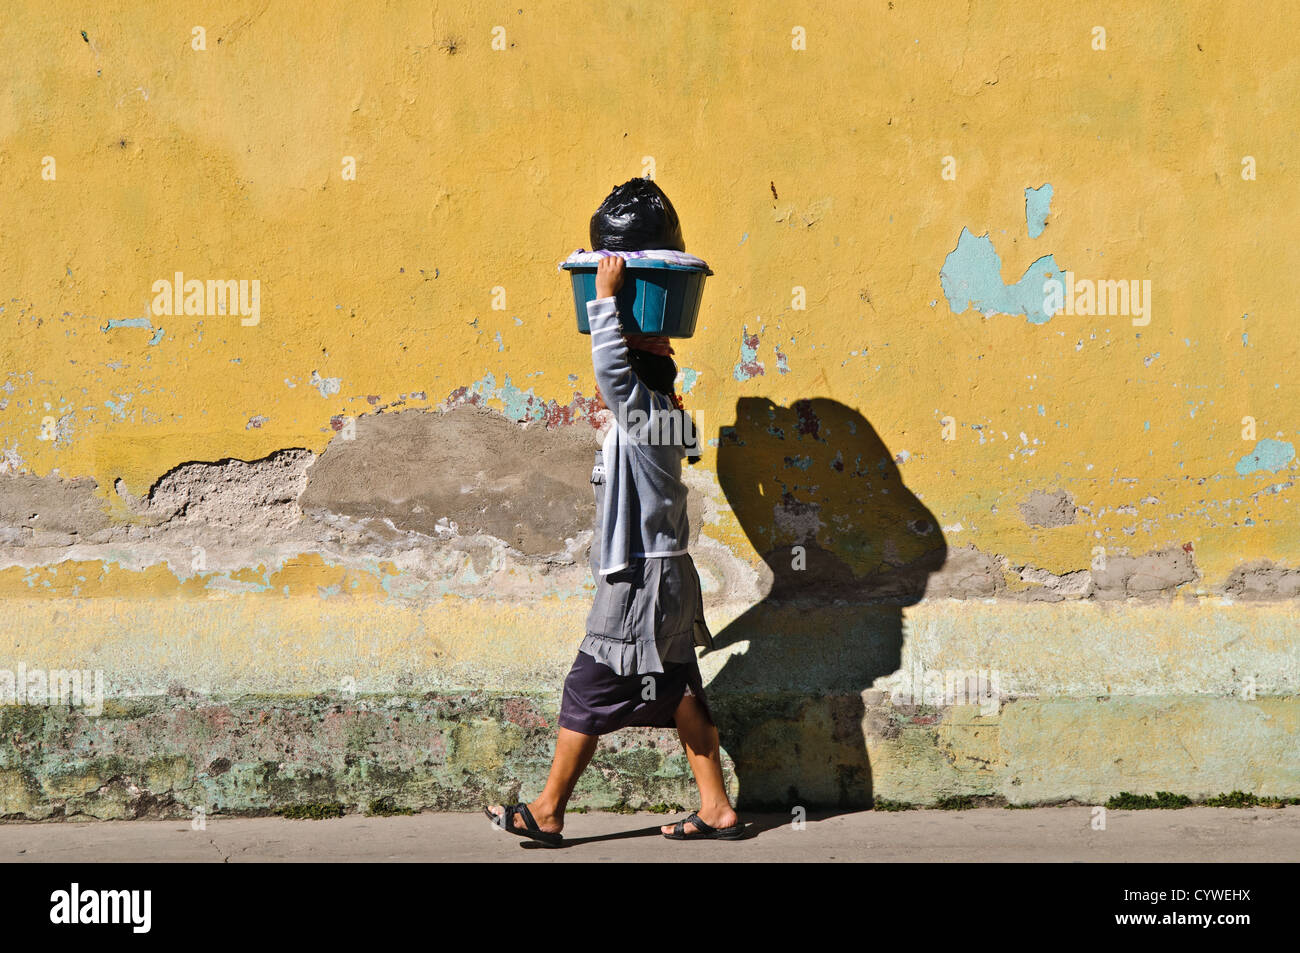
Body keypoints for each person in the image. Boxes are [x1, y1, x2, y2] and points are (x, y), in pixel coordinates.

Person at [486, 255, 742, 845]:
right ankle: (718, 809)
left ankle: (548, 810)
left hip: (641, 584)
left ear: (639, 380)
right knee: (678, 689)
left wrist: (604, 299)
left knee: (587, 686)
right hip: (670, 576)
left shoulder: (648, 415)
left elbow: (612, 374)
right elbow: (628, 395)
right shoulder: (665, 421)